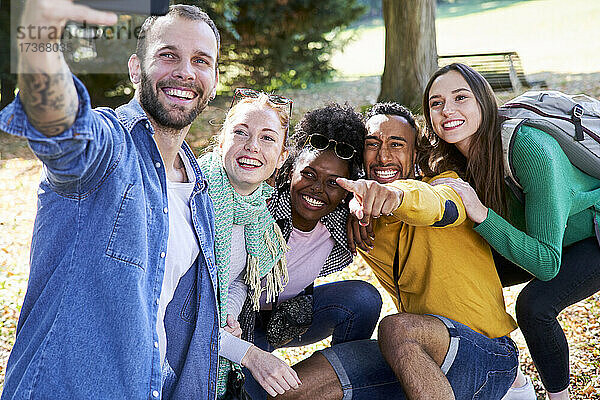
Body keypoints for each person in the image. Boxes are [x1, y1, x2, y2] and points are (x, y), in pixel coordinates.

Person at [0, 3, 221, 399]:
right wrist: (39, 40)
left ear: (215, 80)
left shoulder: (197, 188)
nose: (185, 71)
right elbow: (62, 130)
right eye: (168, 55)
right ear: (136, 68)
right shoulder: (110, 146)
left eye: (201, 61)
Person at [270, 102, 529, 400]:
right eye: (372, 144)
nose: (383, 155)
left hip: (486, 354)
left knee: (395, 329)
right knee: (290, 389)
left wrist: (393, 196)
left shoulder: (448, 187)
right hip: (415, 361)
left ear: (415, 154)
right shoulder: (360, 220)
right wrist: (357, 208)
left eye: (397, 144)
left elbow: (436, 205)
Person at [423, 63, 600, 400]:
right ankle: (511, 380)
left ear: (483, 102)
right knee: (460, 272)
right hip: (554, 234)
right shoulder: (453, 154)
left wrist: (480, 212)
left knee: (535, 305)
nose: (447, 111)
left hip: (594, 232)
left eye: (460, 98)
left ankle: (558, 398)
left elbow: (546, 263)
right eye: (436, 102)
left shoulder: (528, 147)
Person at [243, 104, 383, 399]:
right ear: (290, 170)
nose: (317, 188)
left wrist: (360, 207)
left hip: (291, 315)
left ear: (348, 189)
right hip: (239, 322)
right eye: (308, 174)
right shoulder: (262, 206)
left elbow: (404, 177)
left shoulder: (341, 224)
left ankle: (336, 380)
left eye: (333, 182)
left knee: (363, 298)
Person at [195, 87, 302, 399]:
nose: (252, 146)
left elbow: (238, 281)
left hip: (215, 344)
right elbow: (178, 314)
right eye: (240, 133)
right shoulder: (196, 200)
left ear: (281, 157)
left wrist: (227, 311)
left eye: (267, 138)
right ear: (221, 140)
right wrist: (250, 355)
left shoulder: (257, 213)